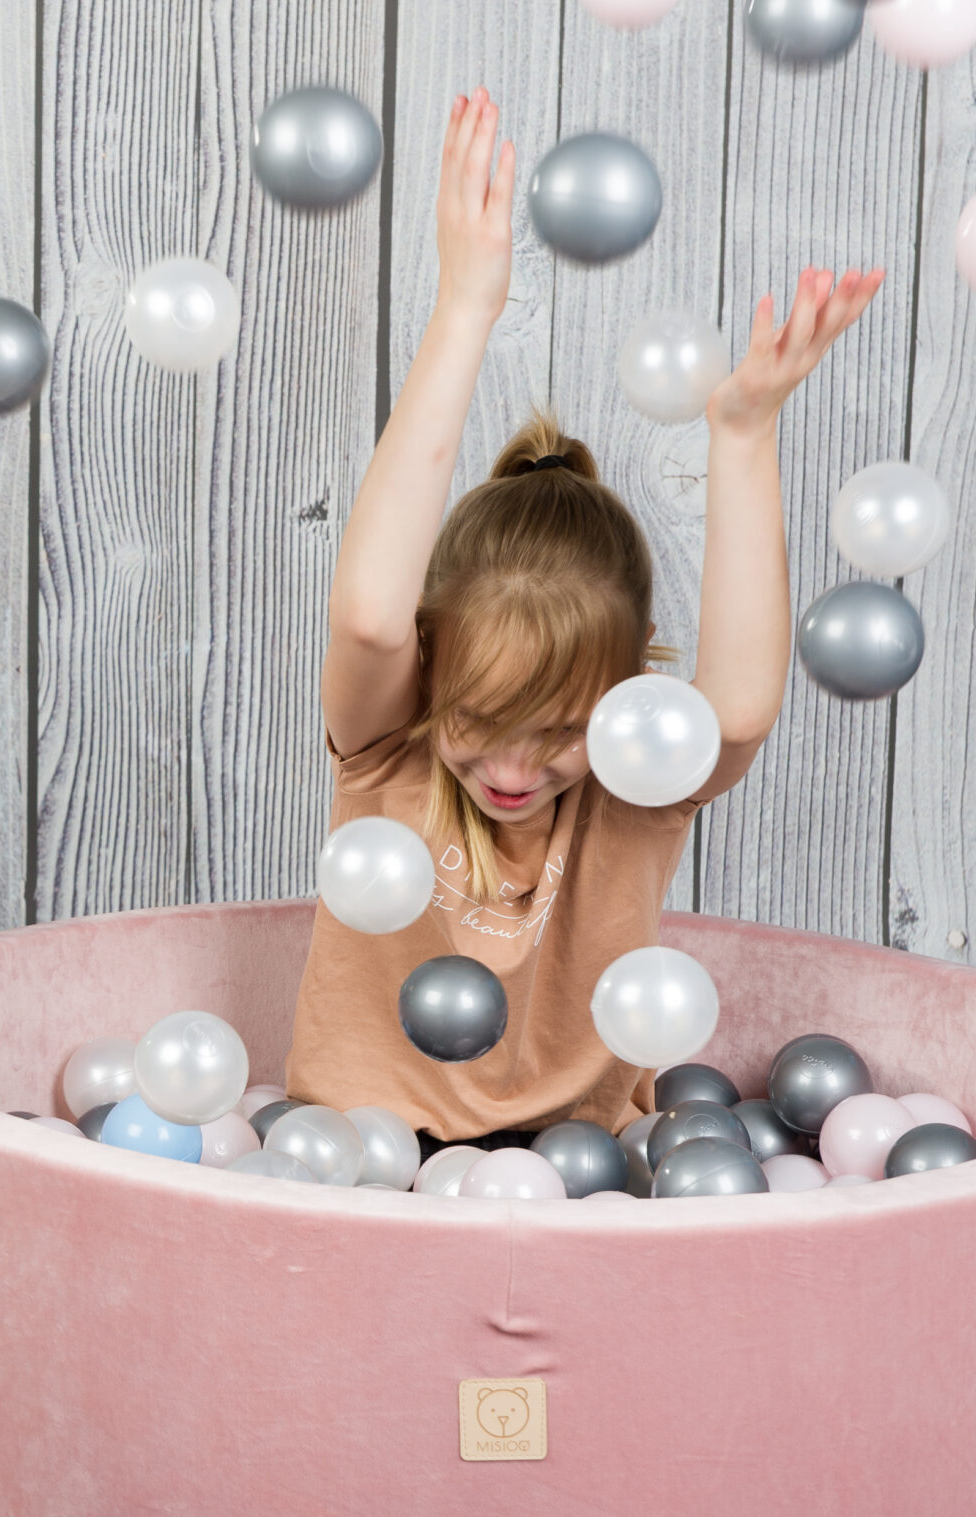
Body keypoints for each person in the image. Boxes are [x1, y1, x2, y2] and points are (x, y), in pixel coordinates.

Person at [285, 87, 883, 1145]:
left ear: (622, 705)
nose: (514, 767)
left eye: (560, 728)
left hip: (586, 1168)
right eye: (480, 716)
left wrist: (741, 436)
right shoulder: (389, 752)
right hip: (360, 1162)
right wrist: (464, 306)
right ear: (432, 676)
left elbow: (736, 711)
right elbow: (373, 617)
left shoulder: (629, 787)